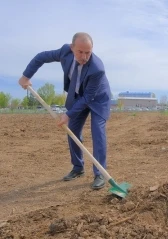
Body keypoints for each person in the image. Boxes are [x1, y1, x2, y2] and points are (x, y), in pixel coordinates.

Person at [18, 32, 111, 190]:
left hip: (98, 100)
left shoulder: (97, 68)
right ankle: (78, 168)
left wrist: (68, 114)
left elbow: (88, 97)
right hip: (77, 96)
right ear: (71, 48)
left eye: (88, 52)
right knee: (72, 131)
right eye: (80, 52)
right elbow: (40, 57)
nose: (84, 56)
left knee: (98, 132)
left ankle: (99, 173)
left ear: (92, 50)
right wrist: (26, 76)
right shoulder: (64, 52)